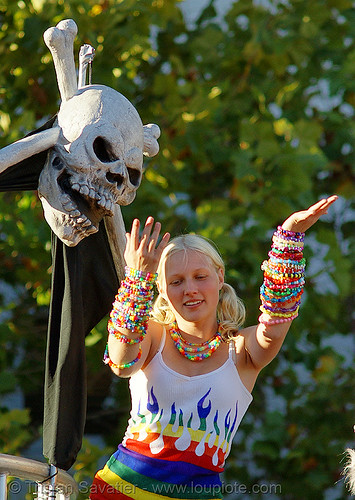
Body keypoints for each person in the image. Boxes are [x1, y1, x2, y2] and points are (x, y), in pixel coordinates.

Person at [90, 196, 338, 500]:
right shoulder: (153, 334)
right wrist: (137, 278)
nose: (190, 289)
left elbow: (278, 318)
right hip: (122, 491)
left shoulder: (243, 351)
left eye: (200, 277)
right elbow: (121, 362)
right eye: (176, 281)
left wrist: (288, 237)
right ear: (162, 290)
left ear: (219, 277)